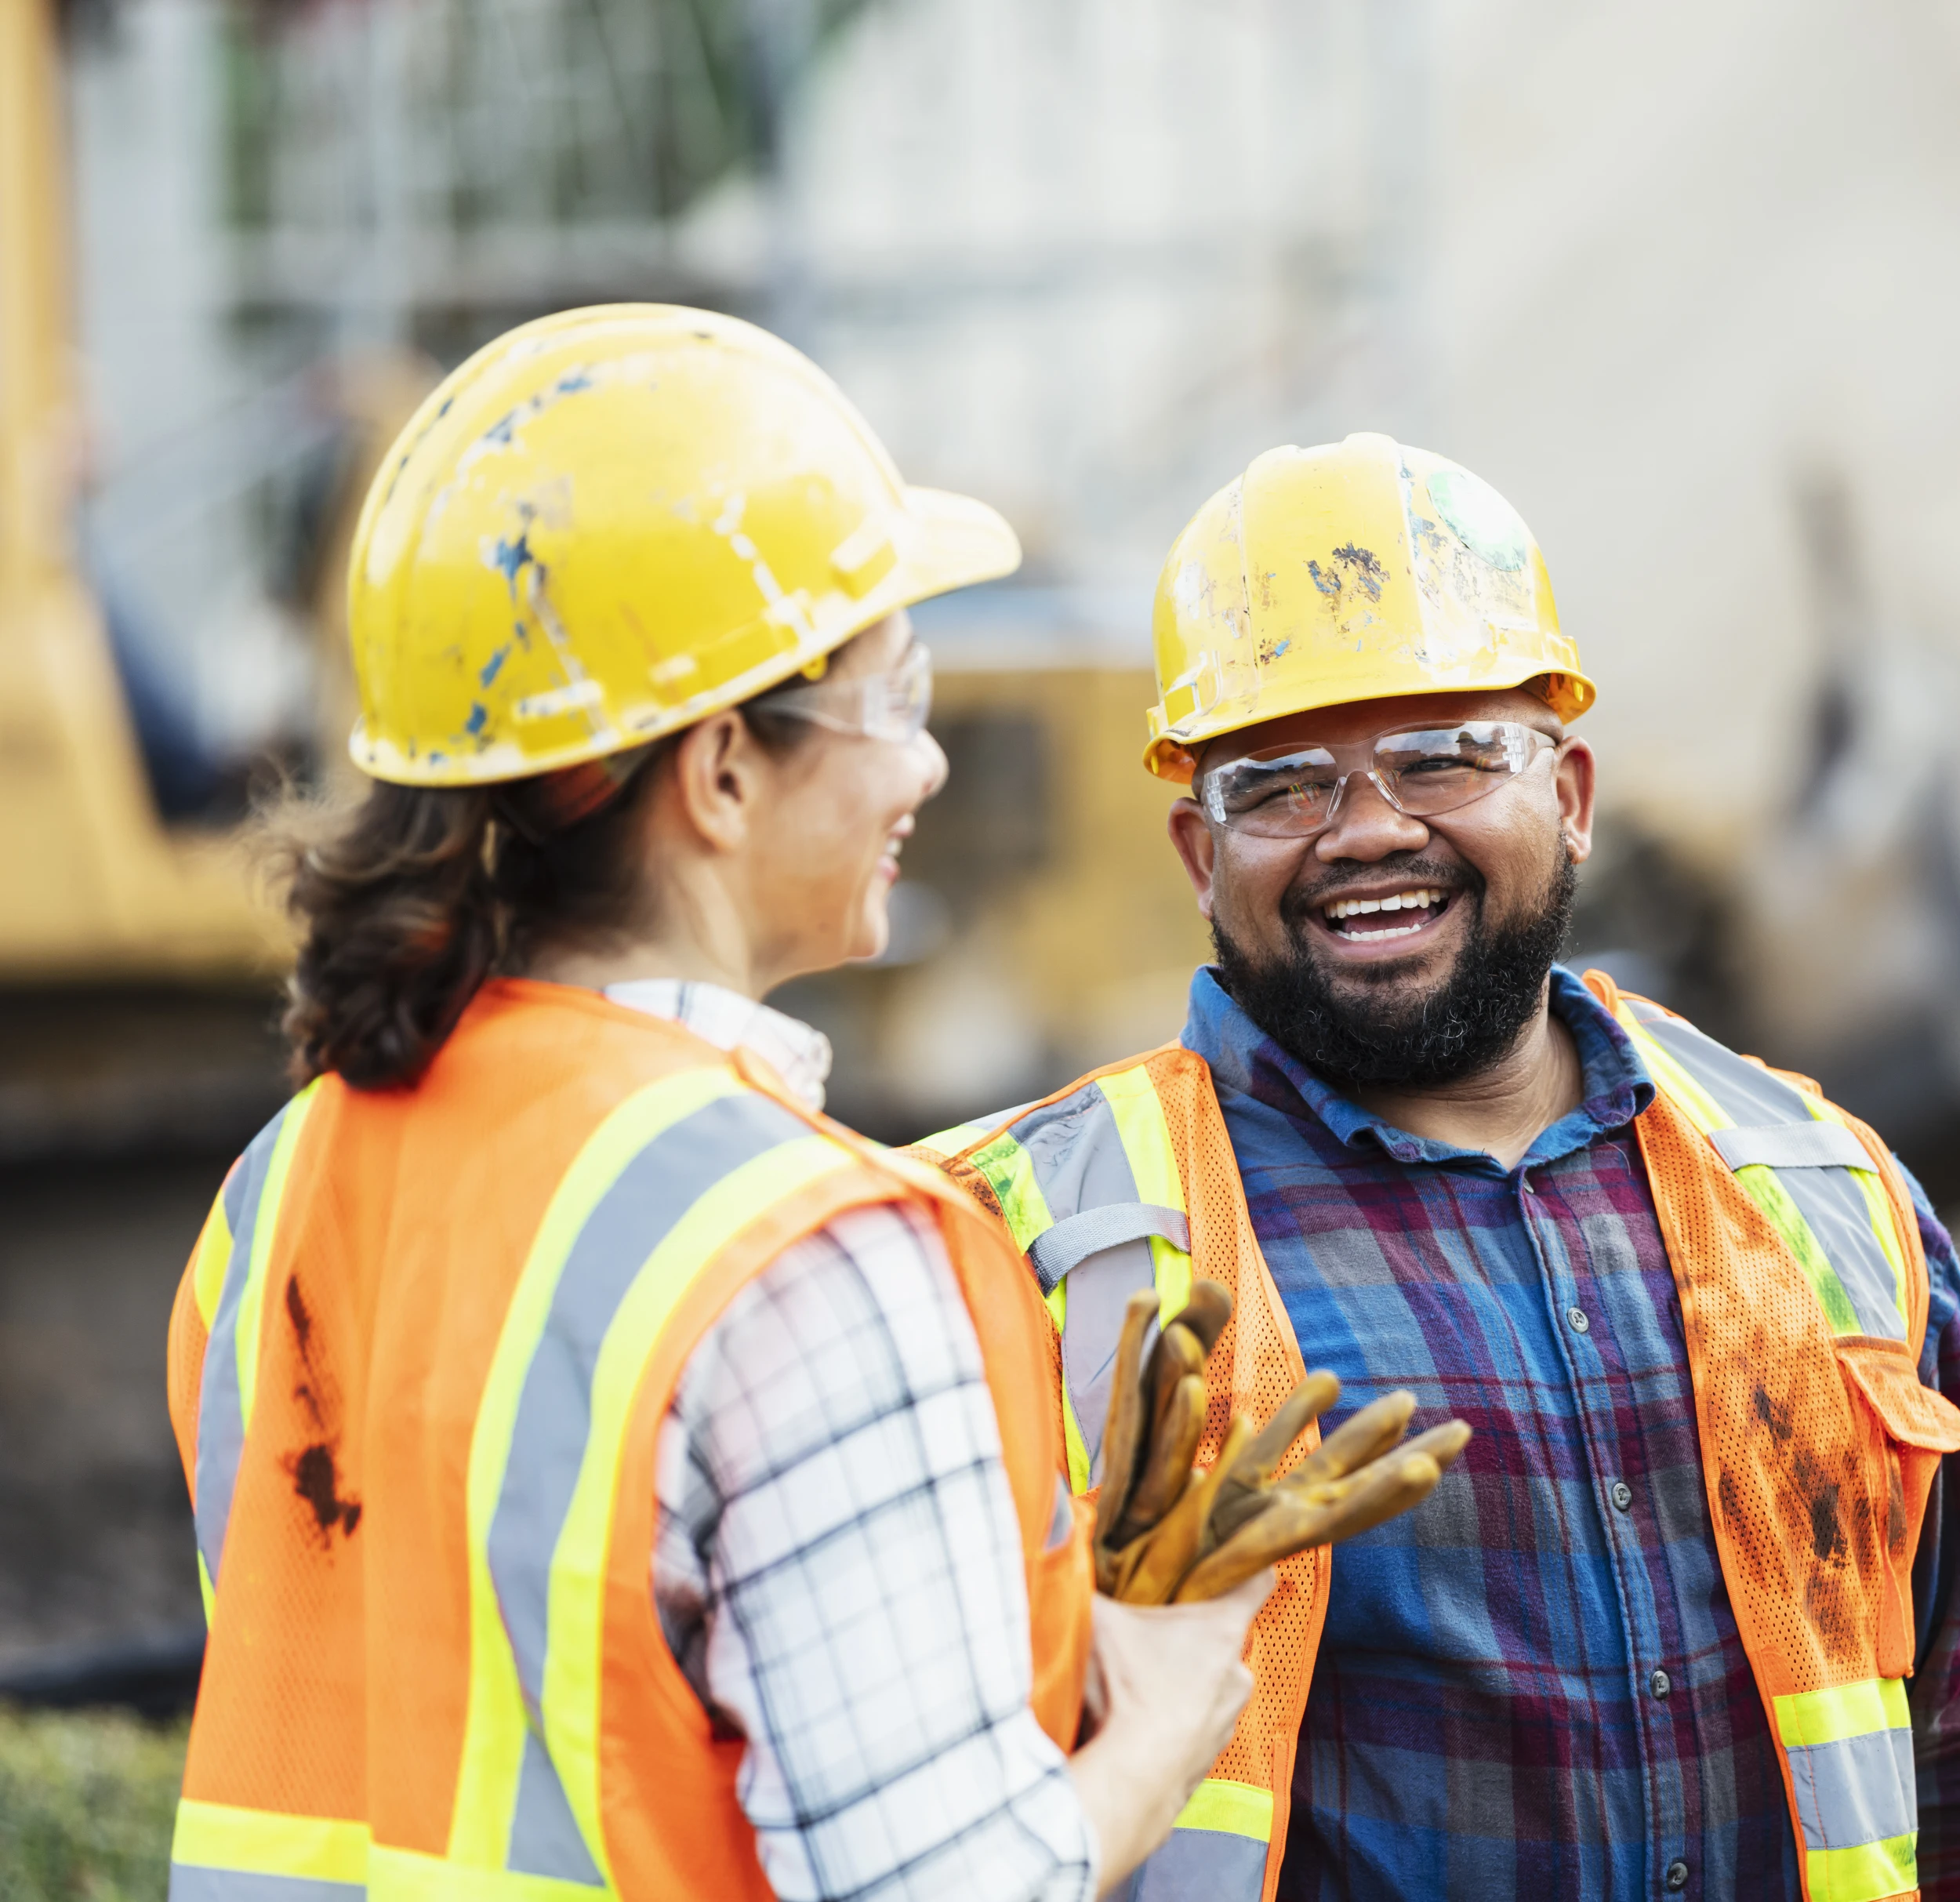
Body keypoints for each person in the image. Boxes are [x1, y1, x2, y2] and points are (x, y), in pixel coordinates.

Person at [163, 304, 1269, 1902]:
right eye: (898, 699)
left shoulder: (280, 1185)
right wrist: (1160, 1730)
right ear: (723, 768)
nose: (927, 767)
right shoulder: (811, 1257)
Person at [910, 432, 1960, 1901]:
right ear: (1193, 853)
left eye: (1443, 757)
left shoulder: (1821, 1186)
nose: (1368, 830)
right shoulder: (1007, 1248)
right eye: (1280, 784)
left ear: (1575, 793)